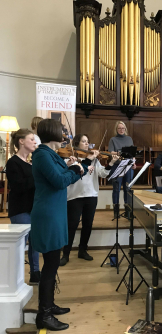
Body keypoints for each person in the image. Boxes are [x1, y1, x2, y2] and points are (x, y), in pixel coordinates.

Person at [30, 119, 99, 331]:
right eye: (62, 131)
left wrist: (81, 165)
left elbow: (64, 175)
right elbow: (60, 181)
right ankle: (44, 314)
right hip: (48, 214)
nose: (65, 135)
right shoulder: (42, 154)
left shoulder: (51, 154)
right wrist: (77, 169)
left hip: (55, 211)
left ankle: (49, 305)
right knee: (50, 266)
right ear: (52, 132)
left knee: (51, 265)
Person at [60, 134, 119, 266]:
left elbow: (103, 173)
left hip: (91, 195)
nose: (87, 144)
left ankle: (82, 250)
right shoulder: (71, 159)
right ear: (77, 144)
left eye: (88, 142)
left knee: (88, 225)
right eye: (84, 142)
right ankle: (66, 254)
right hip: (74, 196)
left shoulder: (94, 160)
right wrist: (87, 159)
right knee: (71, 226)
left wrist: (111, 163)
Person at [6, 129, 40, 284]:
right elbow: (18, 186)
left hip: (34, 207)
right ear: (21, 141)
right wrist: (37, 174)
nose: (35, 142)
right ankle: (14, 277)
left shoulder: (31, 162)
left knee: (35, 241)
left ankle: (35, 273)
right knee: (21, 243)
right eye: (31, 139)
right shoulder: (12, 162)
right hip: (20, 208)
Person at [108, 121, 136, 218]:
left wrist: (134, 162)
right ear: (116, 129)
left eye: (123, 128)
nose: (121, 130)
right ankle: (116, 212)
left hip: (128, 166)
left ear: (125, 129)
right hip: (117, 166)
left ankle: (128, 211)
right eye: (119, 128)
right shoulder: (113, 139)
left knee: (127, 189)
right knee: (116, 189)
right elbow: (111, 152)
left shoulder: (129, 139)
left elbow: (132, 154)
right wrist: (120, 154)